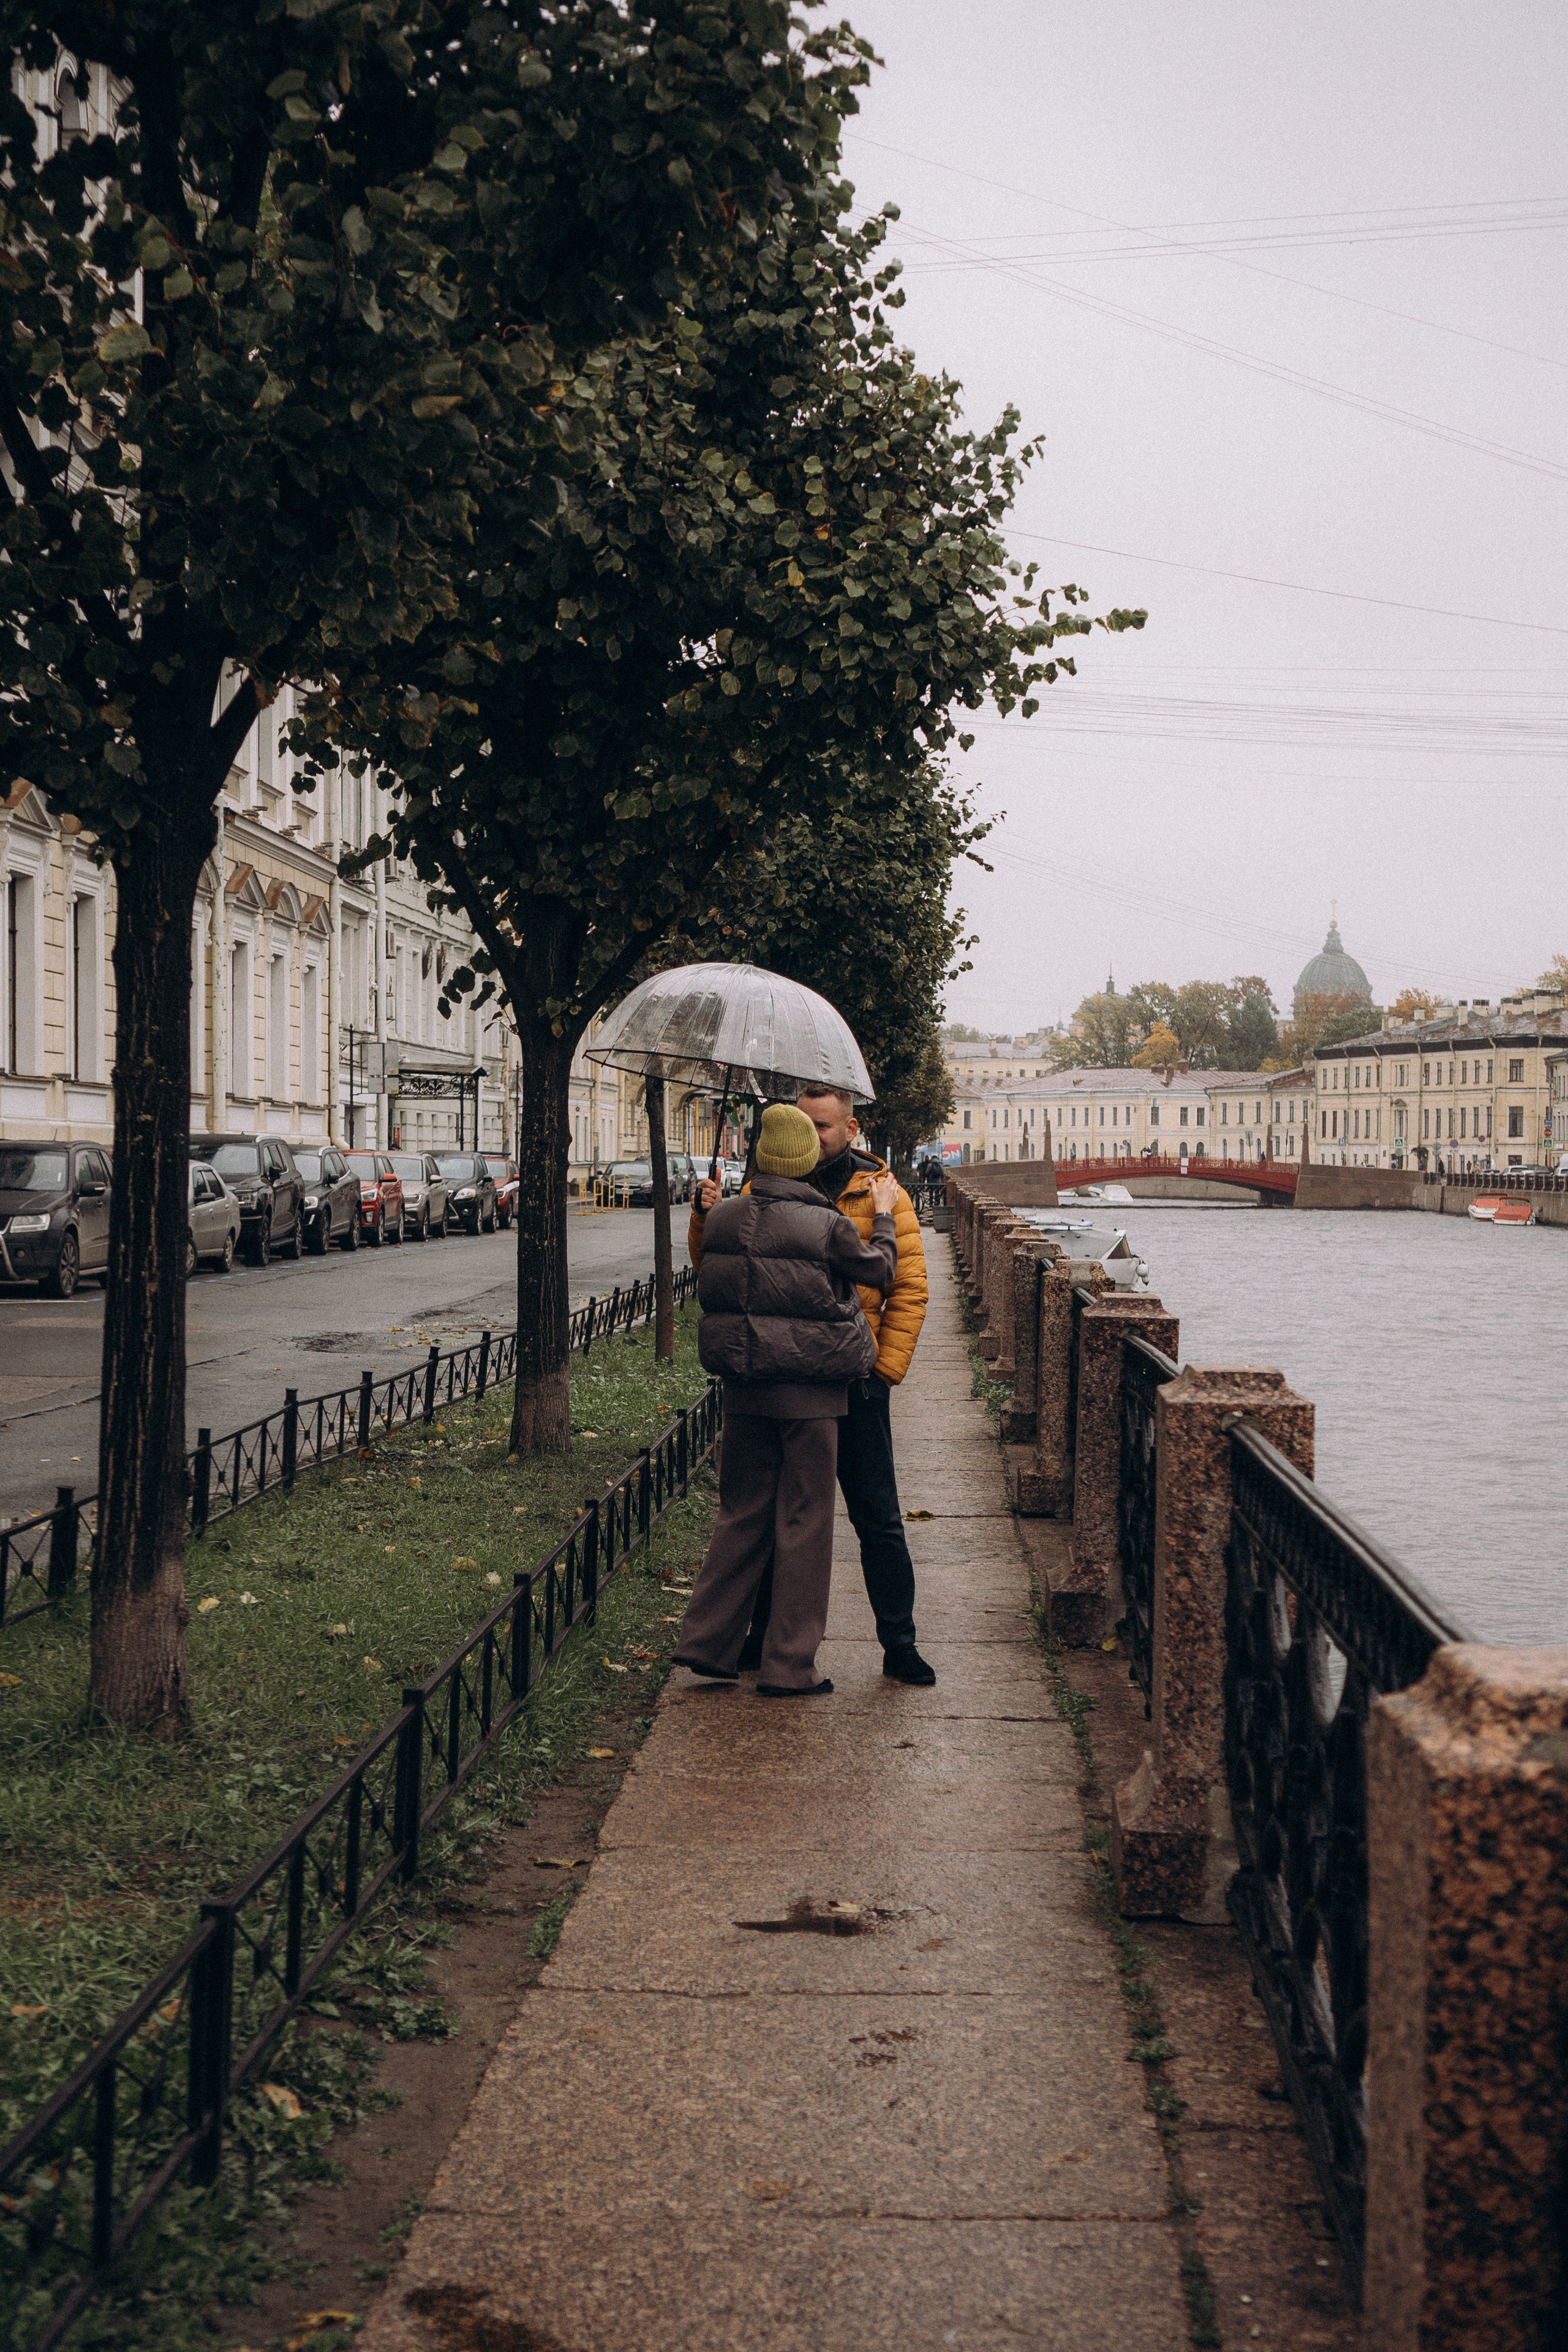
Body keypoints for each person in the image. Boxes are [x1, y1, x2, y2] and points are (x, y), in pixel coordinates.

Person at [688, 1082, 935, 1686]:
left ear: (850, 1131)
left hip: (856, 1380)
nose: (811, 1133)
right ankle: (764, 1640)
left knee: (875, 1517)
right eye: (803, 1123)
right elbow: (723, 1273)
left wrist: (882, 1373)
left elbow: (907, 1287)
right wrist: (704, 1217)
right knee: (785, 1516)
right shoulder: (753, 1191)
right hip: (788, 1376)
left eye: (823, 1125)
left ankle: (898, 1644)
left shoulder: (883, 1193)